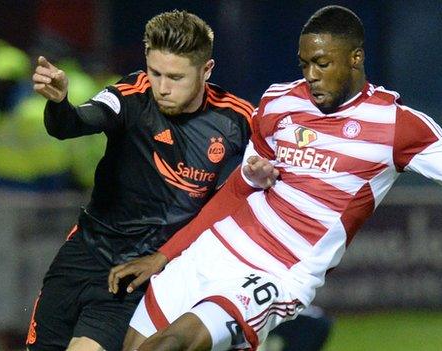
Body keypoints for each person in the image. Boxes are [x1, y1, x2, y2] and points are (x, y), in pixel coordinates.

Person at [108, 5, 442, 351]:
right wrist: (163, 256)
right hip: (215, 249)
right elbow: (240, 190)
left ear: (355, 58)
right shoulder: (279, 102)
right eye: (305, 63)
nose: (311, 75)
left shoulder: (399, 127)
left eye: (322, 63)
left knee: (169, 346)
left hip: (277, 273)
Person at [26, 10, 276, 351]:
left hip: (139, 273)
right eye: (155, 72)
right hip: (82, 253)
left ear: (207, 70)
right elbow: (75, 123)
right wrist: (59, 104)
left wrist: (261, 173)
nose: (162, 87)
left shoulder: (237, 118)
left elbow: (272, 167)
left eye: (175, 77)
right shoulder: (130, 94)